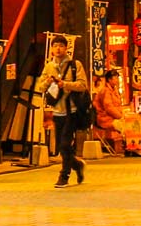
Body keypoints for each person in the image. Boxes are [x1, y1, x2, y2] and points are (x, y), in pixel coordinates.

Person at [43, 36, 88, 188]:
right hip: (57, 111)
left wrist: (66, 84)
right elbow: (40, 87)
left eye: (61, 46)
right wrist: (47, 82)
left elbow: (83, 85)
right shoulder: (49, 66)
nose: (58, 49)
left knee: (64, 144)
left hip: (71, 110)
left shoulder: (75, 65)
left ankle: (64, 175)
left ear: (66, 48)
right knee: (62, 146)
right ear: (52, 48)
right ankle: (77, 165)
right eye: (55, 46)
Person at [92, 67, 125, 156]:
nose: (117, 80)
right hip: (105, 118)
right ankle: (128, 146)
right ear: (109, 80)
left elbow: (117, 106)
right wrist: (121, 116)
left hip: (113, 117)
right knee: (125, 126)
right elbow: (109, 108)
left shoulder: (114, 90)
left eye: (117, 78)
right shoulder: (105, 91)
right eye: (115, 78)